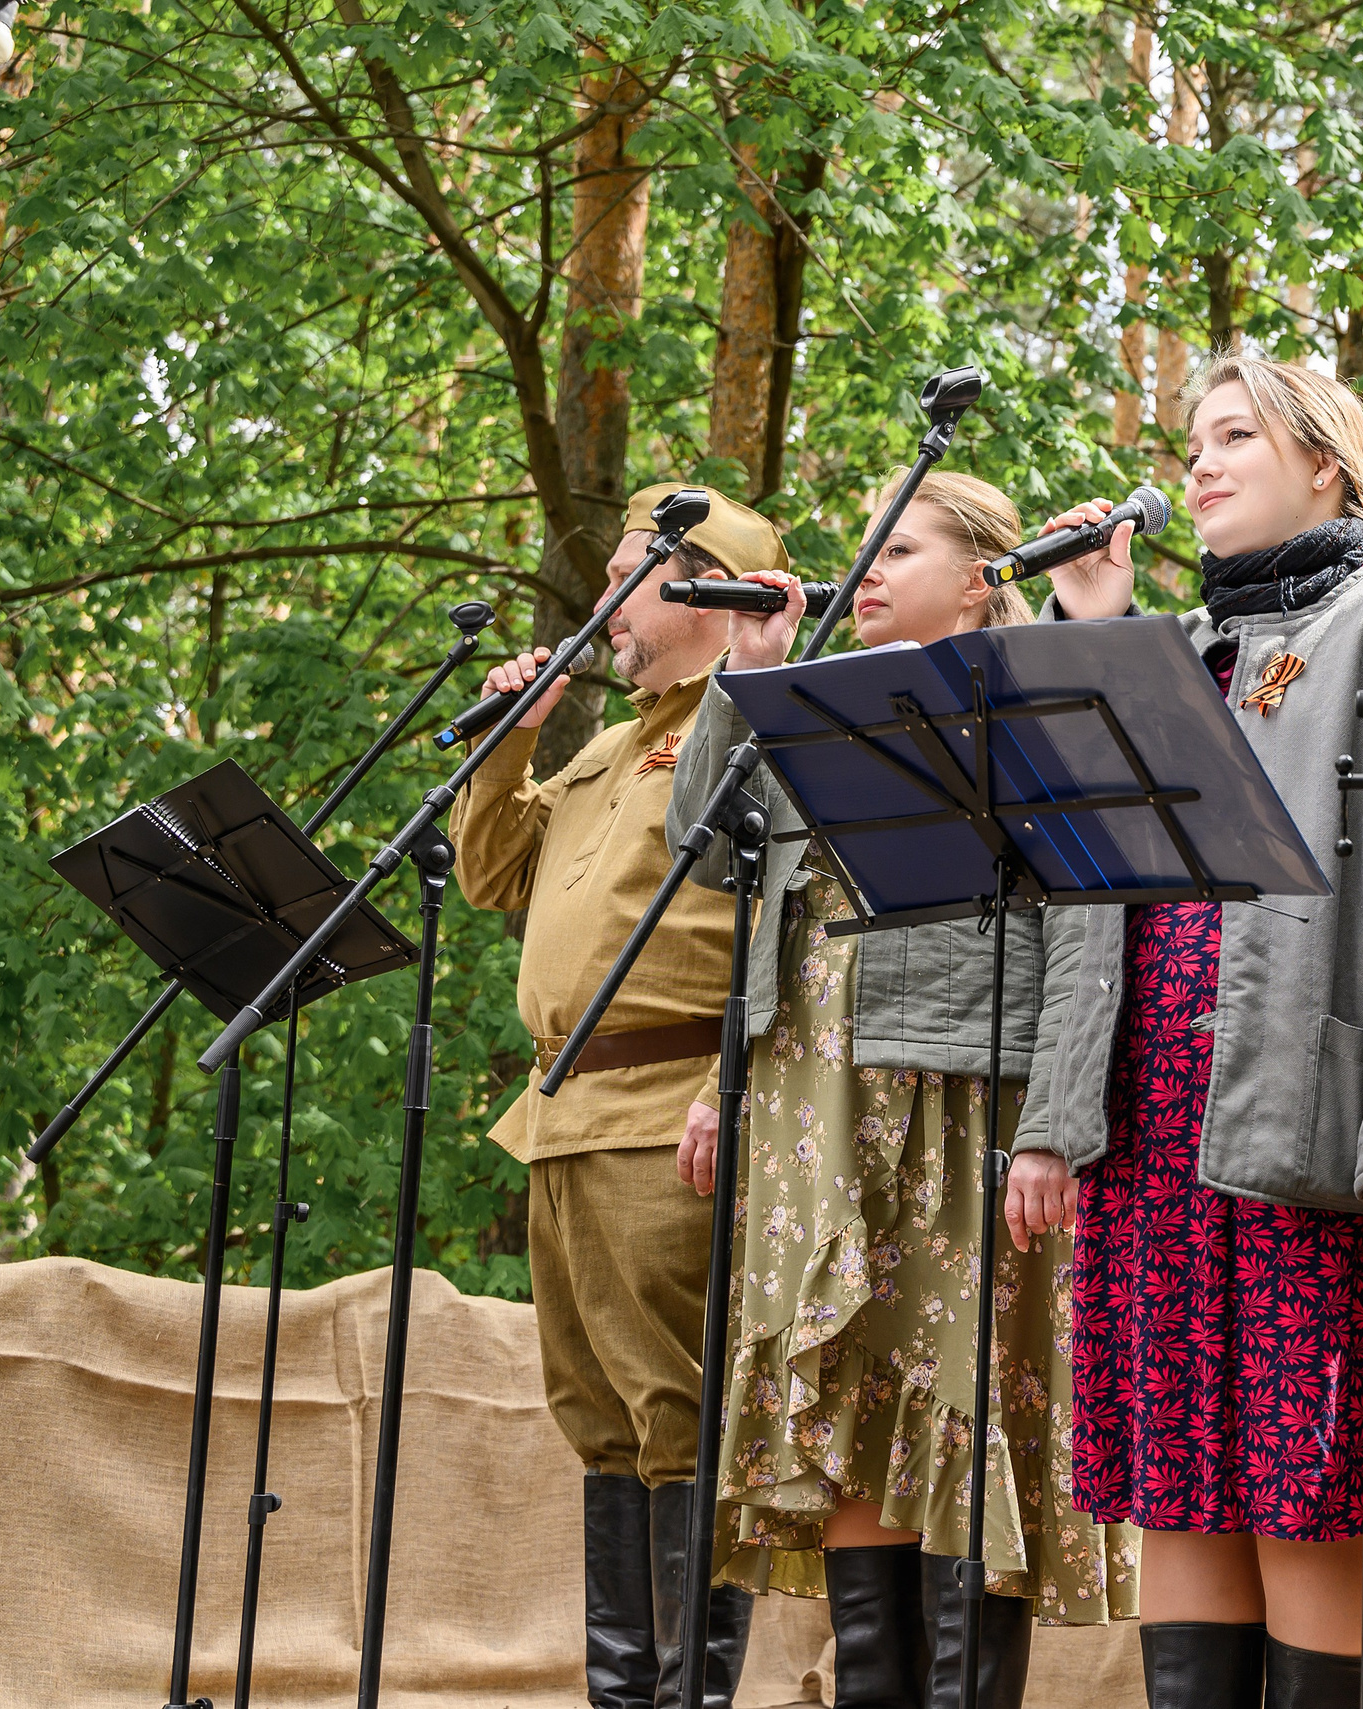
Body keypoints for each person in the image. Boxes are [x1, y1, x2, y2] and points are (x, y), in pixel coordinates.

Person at [1006, 354, 1363, 1709]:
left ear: (1330, 464)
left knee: (1301, 1502)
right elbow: (1087, 894)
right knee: (1178, 1495)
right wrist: (1098, 634)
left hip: (1317, 1139)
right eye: (1195, 440)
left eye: (1236, 434)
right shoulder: (1168, 655)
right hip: (1153, 1141)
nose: (1202, 462)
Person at [667, 469, 1137, 1709]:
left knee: (958, 1409)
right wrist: (747, 671)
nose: (863, 570)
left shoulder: (1042, 702)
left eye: (900, 548)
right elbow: (707, 854)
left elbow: (1096, 925)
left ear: (984, 575)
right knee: (854, 1422)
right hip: (809, 1101)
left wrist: (1056, 1127)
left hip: (956, 1099)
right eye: (862, 549)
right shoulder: (812, 700)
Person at [449, 483, 789, 1709]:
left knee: (676, 1422)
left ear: (700, 584)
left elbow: (789, 929)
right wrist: (513, 741)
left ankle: (686, 1697)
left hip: (668, 1114)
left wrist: (728, 1084)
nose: (602, 606)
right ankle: (620, 1696)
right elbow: (492, 875)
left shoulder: (754, 718)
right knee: (598, 1425)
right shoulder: (609, 735)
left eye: (627, 580)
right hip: (560, 1117)